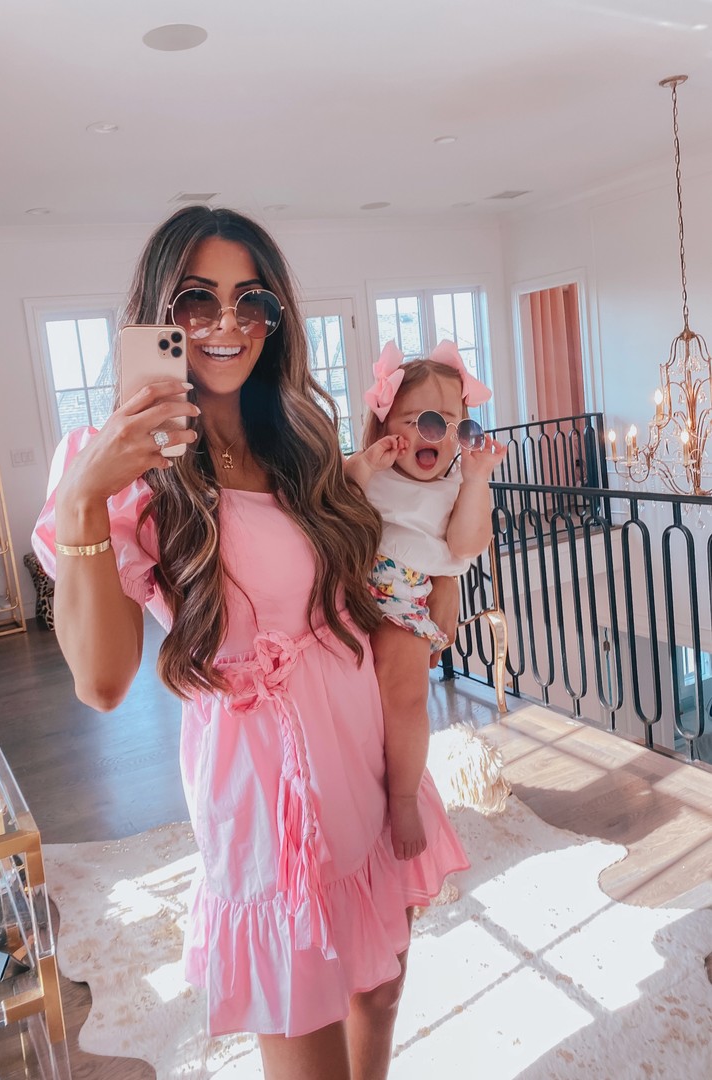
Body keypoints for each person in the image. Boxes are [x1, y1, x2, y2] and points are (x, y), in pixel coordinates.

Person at [32, 207, 469, 1080]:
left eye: (250, 301)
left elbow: (363, 572)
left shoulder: (299, 436)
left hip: (364, 745)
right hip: (268, 792)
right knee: (307, 1039)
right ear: (157, 315)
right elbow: (104, 682)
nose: (226, 324)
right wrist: (86, 497)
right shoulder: (116, 471)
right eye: (197, 299)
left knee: (379, 988)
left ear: (276, 320)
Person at [345, 341, 507, 860]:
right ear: (385, 423)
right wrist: (366, 463)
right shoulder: (376, 471)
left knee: (406, 696)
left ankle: (404, 796)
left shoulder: (458, 483)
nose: (427, 434)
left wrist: (478, 479)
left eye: (448, 424)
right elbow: (336, 497)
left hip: (403, 606)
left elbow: (465, 544)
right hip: (343, 597)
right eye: (414, 420)